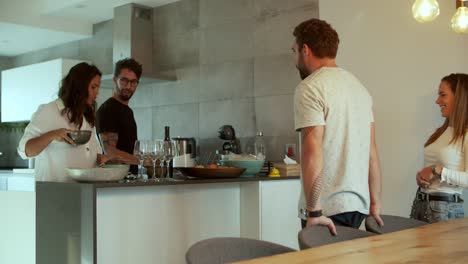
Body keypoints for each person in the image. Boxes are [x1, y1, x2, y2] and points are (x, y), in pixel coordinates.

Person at [291, 18, 384, 234]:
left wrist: (314, 211)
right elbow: (372, 153)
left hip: (326, 210)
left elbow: (312, 149)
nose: (294, 59)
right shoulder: (359, 88)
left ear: (305, 50)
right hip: (358, 207)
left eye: (294, 51)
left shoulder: (310, 87)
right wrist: (375, 204)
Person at [17, 62, 108, 182]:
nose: (97, 92)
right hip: (55, 191)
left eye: (98, 87)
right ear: (79, 86)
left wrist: (102, 158)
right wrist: (52, 135)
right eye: (93, 87)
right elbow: (25, 151)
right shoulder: (48, 111)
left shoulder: (87, 115)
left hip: (84, 190)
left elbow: (92, 152)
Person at [411, 73, 468, 223]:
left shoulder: (466, 135)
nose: (437, 101)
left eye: (443, 95)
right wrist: (422, 177)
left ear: (460, 98)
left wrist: (437, 170)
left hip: (445, 209)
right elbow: (431, 170)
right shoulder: (441, 132)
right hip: (421, 202)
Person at [96, 58, 142, 174]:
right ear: (115, 80)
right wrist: (142, 161)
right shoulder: (108, 110)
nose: (128, 86)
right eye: (124, 80)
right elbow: (110, 152)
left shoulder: (128, 111)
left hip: (128, 180)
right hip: (115, 181)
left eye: (133, 82)